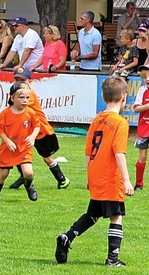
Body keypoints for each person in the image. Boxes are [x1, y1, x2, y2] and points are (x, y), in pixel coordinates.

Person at [55, 77, 133, 267]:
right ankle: (112, 259)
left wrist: (89, 175)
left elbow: (88, 152)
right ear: (124, 97)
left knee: (93, 213)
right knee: (116, 215)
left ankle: (67, 236)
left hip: (96, 174)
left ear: (103, 96)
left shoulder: (97, 119)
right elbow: (119, 153)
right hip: (111, 177)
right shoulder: (120, 123)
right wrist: (127, 180)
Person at [8, 67, 70, 190]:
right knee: (17, 150)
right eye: (17, 79)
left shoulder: (28, 94)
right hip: (27, 130)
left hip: (40, 130)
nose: (19, 82)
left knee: (46, 157)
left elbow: (16, 107)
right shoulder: (17, 93)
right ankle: (23, 175)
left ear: (29, 81)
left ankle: (62, 179)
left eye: (22, 80)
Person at [0, 84, 40, 202]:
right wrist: (7, 141)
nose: (25, 101)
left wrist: (32, 137)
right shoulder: (5, 113)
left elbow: (37, 126)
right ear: (12, 98)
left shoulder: (31, 112)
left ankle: (28, 185)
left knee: (28, 173)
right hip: (9, 149)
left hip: (24, 148)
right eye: (21, 97)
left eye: (27, 98)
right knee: (3, 173)